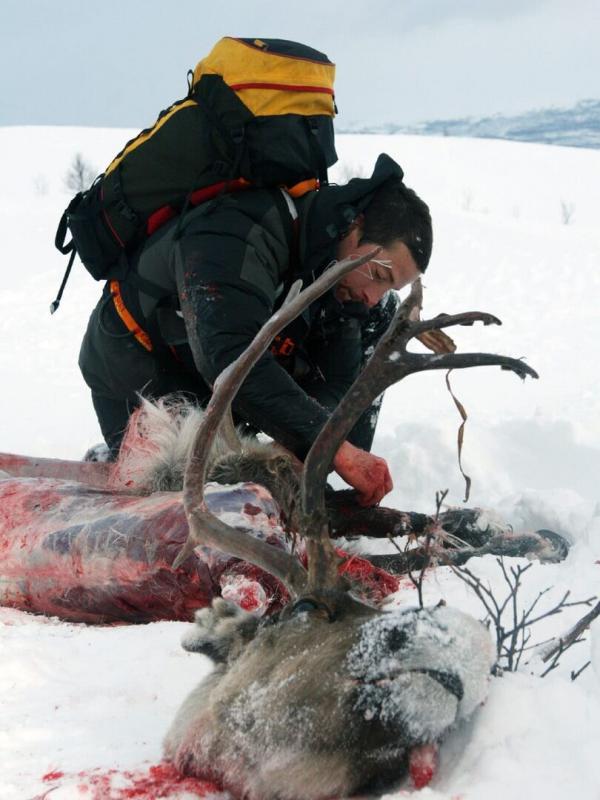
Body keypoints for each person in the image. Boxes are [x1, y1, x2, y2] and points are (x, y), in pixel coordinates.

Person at [79, 153, 432, 506]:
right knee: (184, 500)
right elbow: (229, 358)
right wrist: (332, 445)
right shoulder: (240, 230)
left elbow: (336, 378)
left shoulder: (335, 268)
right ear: (353, 227)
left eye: (389, 287)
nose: (372, 296)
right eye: (379, 275)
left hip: (219, 389)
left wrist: (305, 448)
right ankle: (116, 456)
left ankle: (318, 490)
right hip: (141, 373)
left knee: (378, 318)